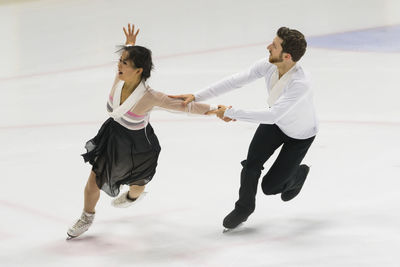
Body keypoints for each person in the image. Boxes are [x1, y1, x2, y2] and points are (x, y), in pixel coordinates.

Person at [67, 24, 217, 239]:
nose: (118, 65)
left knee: (136, 186)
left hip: (139, 147)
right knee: (94, 180)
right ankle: (86, 217)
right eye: (119, 60)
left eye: (124, 62)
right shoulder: (120, 78)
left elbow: (185, 106)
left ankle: (132, 197)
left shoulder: (150, 96)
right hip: (112, 137)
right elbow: (128, 64)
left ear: (138, 71)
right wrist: (130, 45)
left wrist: (215, 110)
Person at [170, 27, 318, 231]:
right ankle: (244, 208)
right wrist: (197, 96)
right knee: (251, 164)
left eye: (273, 46)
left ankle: (297, 175)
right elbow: (236, 80)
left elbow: (273, 114)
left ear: (287, 56)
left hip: (300, 135)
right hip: (276, 124)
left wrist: (231, 112)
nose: (268, 47)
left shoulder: (300, 83)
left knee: (270, 187)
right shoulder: (268, 65)